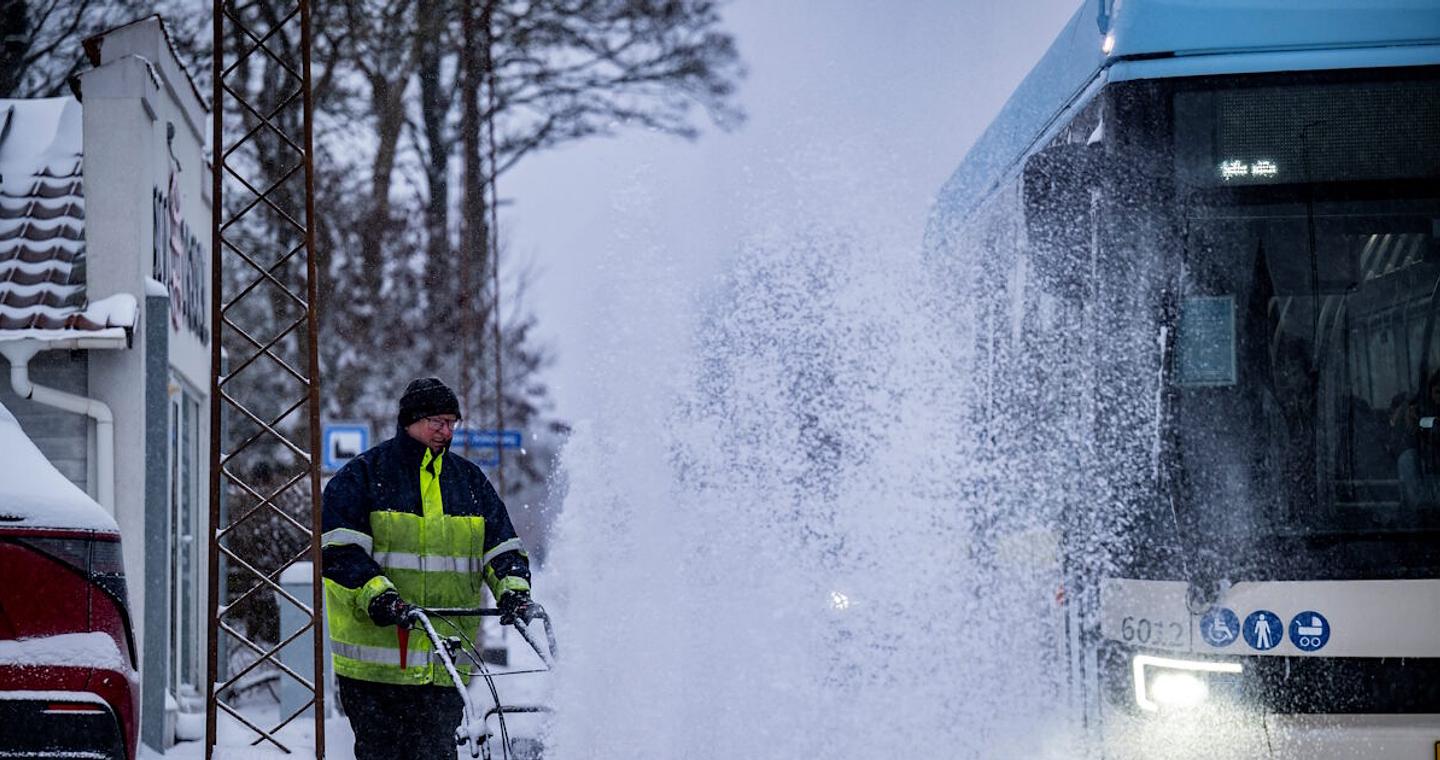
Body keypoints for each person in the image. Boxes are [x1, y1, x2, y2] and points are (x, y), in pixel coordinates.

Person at [321, 377, 537, 759]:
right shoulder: (364, 477)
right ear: (410, 421)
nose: (445, 431)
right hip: (376, 671)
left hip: (444, 666)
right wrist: (379, 597)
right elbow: (340, 554)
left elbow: (502, 547)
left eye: (452, 422)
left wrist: (513, 590)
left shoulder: (469, 483)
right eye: (436, 421)